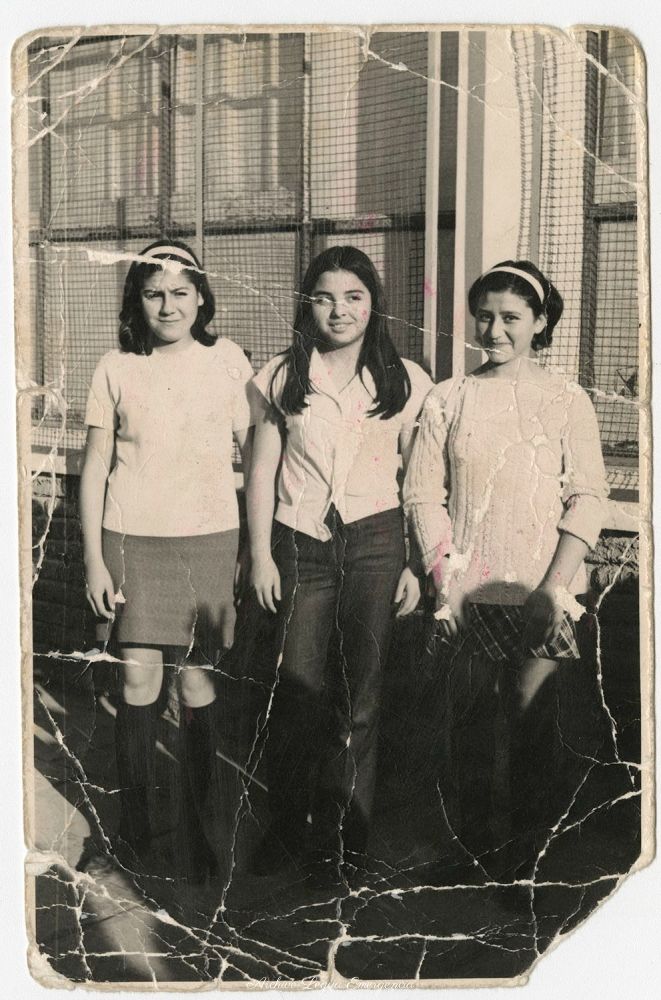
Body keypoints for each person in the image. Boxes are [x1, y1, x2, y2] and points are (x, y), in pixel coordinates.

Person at [404, 260, 609, 879]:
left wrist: (552, 590)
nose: (494, 331)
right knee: (467, 728)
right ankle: (471, 855)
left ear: (540, 322)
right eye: (485, 316)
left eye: (511, 318)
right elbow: (423, 496)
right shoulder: (448, 398)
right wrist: (446, 586)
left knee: (532, 729)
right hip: (468, 596)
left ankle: (525, 867)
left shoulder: (567, 400)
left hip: (541, 593)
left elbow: (589, 497)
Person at [247, 245, 433, 884]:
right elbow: (262, 472)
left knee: (360, 699)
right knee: (296, 689)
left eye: (353, 297)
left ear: (374, 303)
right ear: (308, 305)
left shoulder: (405, 380)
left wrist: (414, 563)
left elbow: (417, 480)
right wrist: (261, 556)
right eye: (324, 297)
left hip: (378, 545)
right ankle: (285, 829)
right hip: (301, 543)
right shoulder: (282, 375)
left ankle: (346, 841)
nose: (339, 311)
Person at [79, 240, 253, 882]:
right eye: (154, 293)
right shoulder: (115, 366)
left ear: (202, 298)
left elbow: (257, 454)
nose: (168, 305)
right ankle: (132, 834)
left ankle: (200, 834)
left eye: (181, 292)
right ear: (138, 301)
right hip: (131, 539)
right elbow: (96, 465)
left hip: (207, 541)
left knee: (197, 684)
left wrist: (251, 548)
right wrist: (94, 559)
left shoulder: (229, 361)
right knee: (137, 684)